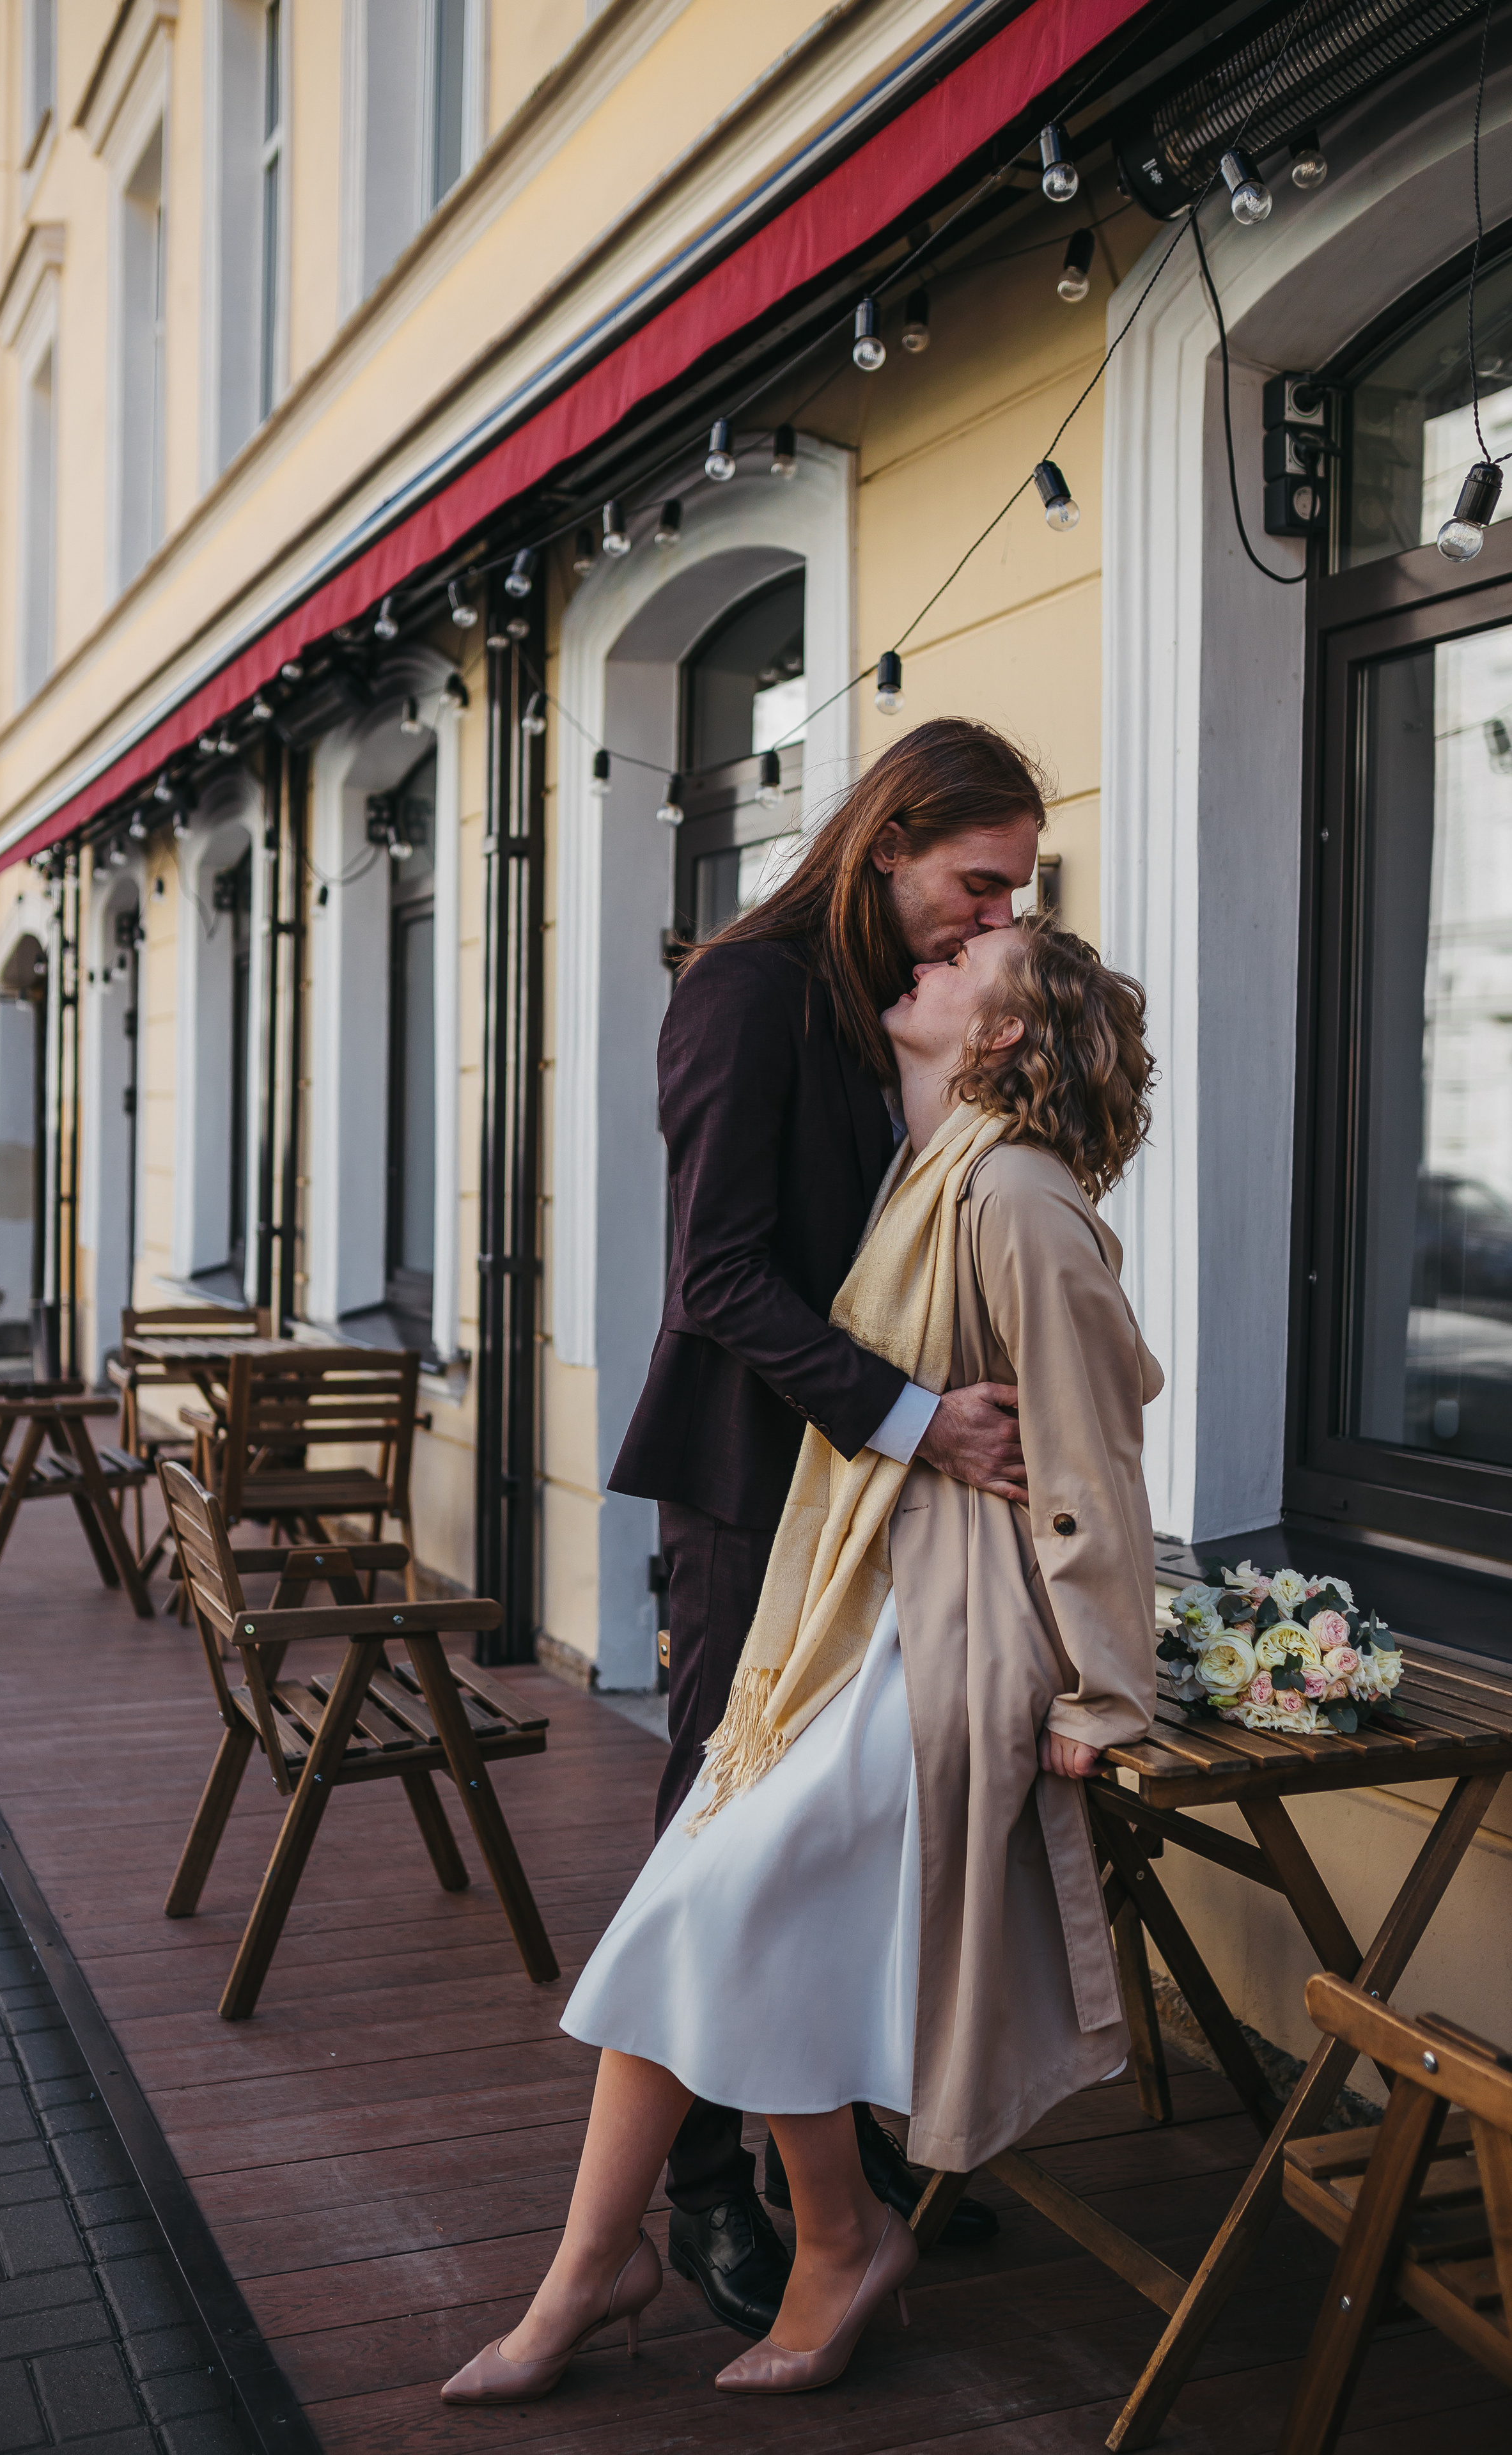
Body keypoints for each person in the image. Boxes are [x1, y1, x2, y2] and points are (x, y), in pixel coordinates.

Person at [442, 910, 1163, 2406]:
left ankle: (781, 2248)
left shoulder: (1013, 1195)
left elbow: (1094, 1452)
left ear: (1003, 1033)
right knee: (702, 1920)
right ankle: (625, 2263)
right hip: (853, 1614)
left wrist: (1104, 1690)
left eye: (975, 956)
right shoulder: (930, 1164)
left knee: (715, 1908)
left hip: (939, 1639)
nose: (941, 954)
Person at [606, 719, 1043, 2332]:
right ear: (883, 848)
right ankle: (704, 2195)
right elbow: (715, 1278)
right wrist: (923, 1422)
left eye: (1013, 896)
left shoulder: (876, 1008)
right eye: (973, 886)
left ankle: (831, 2169)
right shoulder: (743, 995)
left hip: (862, 1501)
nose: (991, 924)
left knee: (833, 1840)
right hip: (750, 1490)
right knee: (718, 1838)